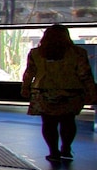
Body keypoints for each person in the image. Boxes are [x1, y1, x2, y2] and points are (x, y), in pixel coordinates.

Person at [21, 24, 97, 162]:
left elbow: (29, 73)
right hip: (71, 92)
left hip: (43, 92)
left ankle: (53, 151)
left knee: (48, 123)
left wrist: (25, 88)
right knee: (68, 121)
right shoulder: (78, 53)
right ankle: (66, 148)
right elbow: (85, 74)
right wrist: (91, 91)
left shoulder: (36, 53)